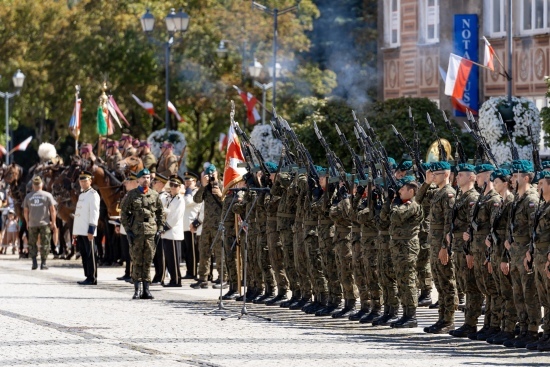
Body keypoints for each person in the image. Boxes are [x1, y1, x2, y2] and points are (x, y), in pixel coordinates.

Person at [502, 160, 541, 348]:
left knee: (529, 293)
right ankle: (523, 328)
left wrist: (530, 252)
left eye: (515, 176)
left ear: (525, 177)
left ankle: (533, 331)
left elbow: (535, 229)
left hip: (525, 252)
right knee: (518, 293)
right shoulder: (517, 198)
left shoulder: (531, 199)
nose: (511, 179)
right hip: (515, 252)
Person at [416, 161, 457, 334]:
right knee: (439, 283)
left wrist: (444, 247)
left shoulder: (448, 194)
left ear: (446, 174)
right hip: (434, 243)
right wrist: (426, 182)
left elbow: (450, 224)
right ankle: (442, 318)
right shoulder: (437, 192)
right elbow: (417, 200)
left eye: (437, 174)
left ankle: (449, 320)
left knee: (447, 282)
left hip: (442, 244)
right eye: (432, 174)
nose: (434, 177)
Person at [120, 168, 165, 300]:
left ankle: (146, 289)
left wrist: (160, 227)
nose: (146, 180)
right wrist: (128, 229)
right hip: (136, 232)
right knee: (136, 259)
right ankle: (137, 289)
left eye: (148, 178)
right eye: (143, 177)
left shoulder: (155, 195)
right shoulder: (131, 195)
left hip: (150, 232)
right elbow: (124, 213)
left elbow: (160, 212)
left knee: (148, 260)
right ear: (138, 180)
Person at [388, 176, 424, 328]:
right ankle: (405, 313)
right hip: (399, 247)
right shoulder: (403, 204)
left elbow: (396, 216)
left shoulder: (413, 205)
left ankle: (411, 315)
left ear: (411, 190)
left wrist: (394, 204)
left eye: (402, 190)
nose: (399, 192)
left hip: (407, 247)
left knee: (408, 280)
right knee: (401, 280)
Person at [190, 164, 223, 289]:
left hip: (219, 225)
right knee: (204, 252)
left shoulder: (222, 185)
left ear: (217, 173)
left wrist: (220, 194)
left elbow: (227, 204)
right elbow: (197, 200)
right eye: (208, 174)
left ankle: (222, 278)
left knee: (219, 253)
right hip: (207, 225)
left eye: (213, 174)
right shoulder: (205, 188)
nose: (211, 177)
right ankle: (203, 278)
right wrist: (203, 186)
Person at [72, 170, 101, 285]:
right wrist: (75, 231)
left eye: (85, 181)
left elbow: (94, 213)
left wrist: (92, 229)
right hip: (80, 230)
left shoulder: (93, 194)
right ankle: (87, 275)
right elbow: (79, 215)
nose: (83, 183)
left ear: (90, 181)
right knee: (84, 254)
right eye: (81, 181)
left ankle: (92, 277)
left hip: (88, 230)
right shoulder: (82, 194)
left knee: (91, 254)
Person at [23, 176, 57, 270]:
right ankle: (43, 263)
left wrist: (27, 222)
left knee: (32, 243)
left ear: (33, 186)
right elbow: (53, 210)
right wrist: (53, 222)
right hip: (44, 223)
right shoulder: (47, 195)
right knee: (45, 243)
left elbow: (25, 211)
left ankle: (34, 262)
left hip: (32, 223)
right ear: (41, 184)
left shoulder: (28, 196)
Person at [160, 175, 186, 287]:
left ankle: (176, 280)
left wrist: (165, 227)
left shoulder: (180, 200)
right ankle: (172, 279)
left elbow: (176, 216)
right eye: (171, 185)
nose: (173, 187)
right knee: (169, 258)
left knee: (174, 259)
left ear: (180, 187)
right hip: (166, 233)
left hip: (173, 232)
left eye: (176, 185)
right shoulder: (168, 198)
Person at [115, 173, 139, 282]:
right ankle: (127, 272)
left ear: (134, 182)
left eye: (128, 182)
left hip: (132, 226)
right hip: (124, 226)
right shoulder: (126, 195)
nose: (126, 183)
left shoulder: (136, 195)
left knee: (132, 251)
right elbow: (121, 211)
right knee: (126, 251)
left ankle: (133, 273)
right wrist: (117, 223)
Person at [151, 173, 169, 285]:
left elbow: (165, 213)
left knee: (161, 254)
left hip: (160, 227)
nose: (153, 184)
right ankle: (157, 274)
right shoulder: (155, 195)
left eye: (155, 182)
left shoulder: (165, 197)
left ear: (161, 183)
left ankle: (161, 276)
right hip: (153, 227)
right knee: (155, 254)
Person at [182, 171, 201, 278]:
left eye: (189, 181)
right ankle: (189, 271)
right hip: (185, 225)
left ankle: (193, 272)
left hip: (193, 225)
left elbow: (187, 202)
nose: (187, 183)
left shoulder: (195, 193)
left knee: (192, 251)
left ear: (195, 181)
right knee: (187, 250)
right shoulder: (186, 192)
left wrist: (188, 191)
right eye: (186, 181)